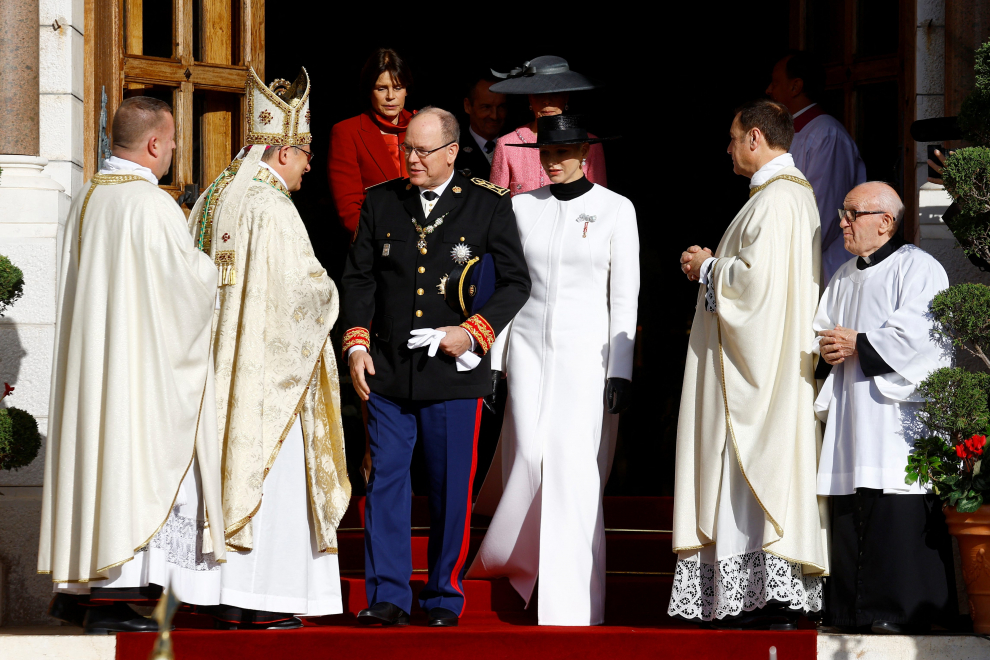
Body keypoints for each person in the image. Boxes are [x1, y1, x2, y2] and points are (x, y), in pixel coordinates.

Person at [39, 96, 226, 633]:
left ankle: (77, 590)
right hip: (135, 375)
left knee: (95, 462)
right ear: (153, 143)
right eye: (170, 142)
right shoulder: (152, 205)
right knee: (129, 464)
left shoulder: (88, 197)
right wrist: (217, 268)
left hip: (95, 366)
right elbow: (189, 289)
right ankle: (115, 591)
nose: (171, 152)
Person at [340, 107, 530, 628]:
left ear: (452, 152)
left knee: (450, 489)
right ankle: (387, 596)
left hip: (453, 374)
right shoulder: (382, 202)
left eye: (424, 151)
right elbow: (359, 280)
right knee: (386, 485)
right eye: (407, 149)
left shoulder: (487, 206)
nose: (412, 159)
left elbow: (516, 283)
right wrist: (356, 344)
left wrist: (471, 332)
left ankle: (443, 595)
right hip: (389, 370)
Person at [189, 67, 351, 630]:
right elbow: (302, 298)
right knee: (272, 478)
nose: (309, 165)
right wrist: (335, 289)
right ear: (282, 151)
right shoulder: (275, 208)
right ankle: (263, 597)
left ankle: (222, 595)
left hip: (217, 373)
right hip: (267, 379)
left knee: (222, 468)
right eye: (305, 153)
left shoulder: (213, 197)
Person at [467, 114, 639, 626]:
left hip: (588, 356)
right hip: (525, 353)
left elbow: (624, 293)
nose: (553, 162)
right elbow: (505, 288)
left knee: (572, 469)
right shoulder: (519, 208)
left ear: (584, 155)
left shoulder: (615, 209)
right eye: (545, 155)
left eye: (562, 154)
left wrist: (621, 371)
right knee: (531, 458)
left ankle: (572, 604)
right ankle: (515, 561)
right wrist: (494, 361)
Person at [671, 99, 828, 629]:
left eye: (734, 138)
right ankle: (756, 594)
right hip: (772, 362)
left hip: (757, 372)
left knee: (747, 467)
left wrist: (706, 265)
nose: (729, 148)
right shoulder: (788, 196)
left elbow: (754, 288)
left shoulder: (776, 199)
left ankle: (755, 598)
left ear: (756, 138)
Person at [813, 182, 957, 634]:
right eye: (843, 212)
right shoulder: (841, 275)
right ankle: (850, 611)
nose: (843, 223)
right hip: (851, 414)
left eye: (852, 213)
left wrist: (860, 342)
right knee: (851, 504)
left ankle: (902, 612)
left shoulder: (918, 268)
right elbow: (818, 332)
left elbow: (923, 334)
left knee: (896, 504)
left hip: (896, 417)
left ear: (886, 221)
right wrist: (827, 351)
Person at [766, 51, 867, 283]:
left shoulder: (826, 134)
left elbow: (823, 213)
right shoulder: (796, 133)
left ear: (795, 87)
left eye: (775, 82)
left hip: (820, 268)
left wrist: (784, 260)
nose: (768, 90)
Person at [488, 56, 607, 196]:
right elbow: (495, 204)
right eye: (539, 94)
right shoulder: (507, 144)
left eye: (554, 94)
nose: (547, 101)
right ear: (530, 98)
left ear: (566, 97)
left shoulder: (591, 144)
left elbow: (599, 200)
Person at [328, 48, 415, 235]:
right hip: (376, 245)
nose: (391, 96)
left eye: (398, 87)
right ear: (369, 91)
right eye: (381, 88)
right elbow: (349, 211)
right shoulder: (347, 132)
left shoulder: (423, 126)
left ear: (407, 89)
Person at [455, 72, 508, 181]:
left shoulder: (517, 145)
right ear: (468, 106)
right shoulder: (453, 150)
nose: (494, 116)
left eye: (500, 107)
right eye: (486, 107)